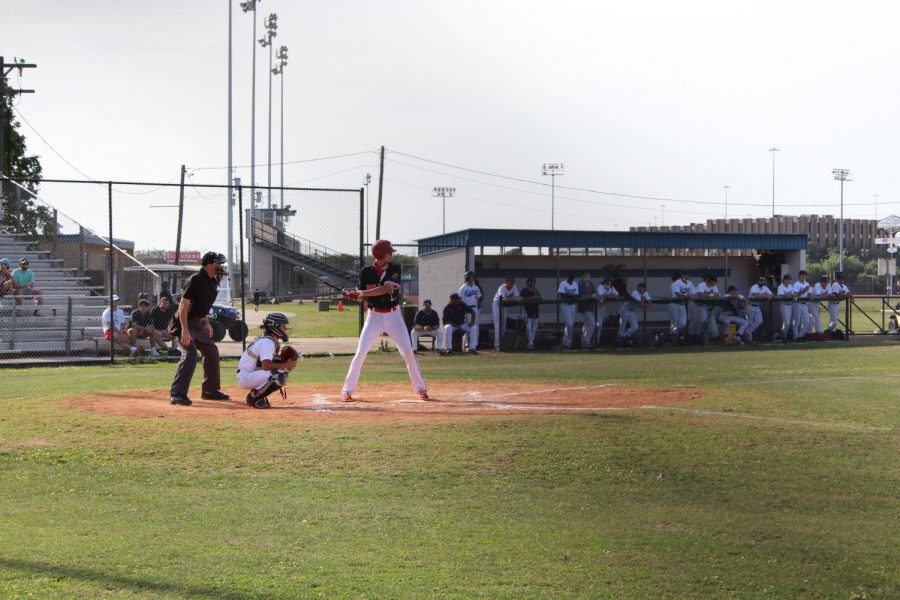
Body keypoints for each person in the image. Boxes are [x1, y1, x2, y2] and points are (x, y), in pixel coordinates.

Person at [340, 240, 429, 402]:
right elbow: (365, 296)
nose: (392, 254)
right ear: (382, 254)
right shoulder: (366, 272)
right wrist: (354, 296)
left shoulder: (395, 268)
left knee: (408, 352)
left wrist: (360, 293)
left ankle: (421, 388)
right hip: (374, 317)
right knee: (361, 352)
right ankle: (347, 390)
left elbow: (384, 289)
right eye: (389, 251)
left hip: (394, 316)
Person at [169, 251, 230, 406]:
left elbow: (203, 306)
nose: (220, 267)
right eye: (218, 263)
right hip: (184, 323)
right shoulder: (195, 279)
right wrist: (184, 330)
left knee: (212, 351)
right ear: (209, 264)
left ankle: (209, 390)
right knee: (189, 355)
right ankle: (177, 394)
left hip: (197, 324)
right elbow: (183, 306)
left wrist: (207, 323)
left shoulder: (212, 282)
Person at [237, 312, 299, 409]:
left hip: (249, 374)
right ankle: (254, 398)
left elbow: (263, 364)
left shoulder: (268, 339)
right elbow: (266, 366)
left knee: (280, 372)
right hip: (247, 376)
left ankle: (257, 393)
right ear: (275, 327)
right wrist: (285, 365)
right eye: (283, 326)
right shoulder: (267, 342)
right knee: (279, 375)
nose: (286, 328)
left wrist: (281, 363)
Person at [492, 276, 521, 350]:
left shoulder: (514, 287)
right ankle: (497, 345)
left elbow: (518, 298)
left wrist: (515, 299)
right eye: (510, 282)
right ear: (507, 282)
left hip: (505, 306)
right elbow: (503, 299)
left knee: (504, 326)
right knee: (498, 325)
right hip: (497, 304)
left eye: (512, 282)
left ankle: (500, 342)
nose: (511, 284)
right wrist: (513, 299)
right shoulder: (502, 287)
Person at [458, 271, 482, 353]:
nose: (469, 278)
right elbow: (460, 300)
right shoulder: (463, 288)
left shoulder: (476, 287)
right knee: (468, 327)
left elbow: (478, 299)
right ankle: (467, 344)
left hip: (474, 309)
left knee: (475, 327)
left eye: (471, 276)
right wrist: (462, 310)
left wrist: (478, 308)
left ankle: (475, 345)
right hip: (467, 309)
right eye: (468, 277)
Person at [557, 271, 580, 348]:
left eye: (573, 275)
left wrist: (570, 296)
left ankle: (565, 342)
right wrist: (570, 296)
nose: (572, 276)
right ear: (568, 275)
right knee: (569, 324)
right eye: (571, 275)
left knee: (570, 325)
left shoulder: (575, 284)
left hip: (572, 305)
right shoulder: (563, 283)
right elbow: (561, 294)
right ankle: (570, 343)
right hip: (565, 305)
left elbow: (577, 295)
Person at [747, 275, 773, 341]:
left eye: (763, 281)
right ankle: (749, 339)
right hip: (750, 305)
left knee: (759, 321)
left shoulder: (765, 287)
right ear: (758, 281)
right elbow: (755, 295)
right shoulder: (754, 287)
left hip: (757, 306)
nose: (762, 282)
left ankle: (747, 331)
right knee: (750, 323)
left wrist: (769, 296)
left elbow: (771, 294)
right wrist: (765, 296)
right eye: (761, 281)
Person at [576, 272, 597, 348]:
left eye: (588, 276)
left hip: (590, 306)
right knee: (592, 323)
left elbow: (595, 292)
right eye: (585, 276)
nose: (587, 277)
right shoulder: (579, 284)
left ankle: (583, 341)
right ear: (582, 277)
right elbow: (581, 295)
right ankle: (586, 340)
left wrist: (595, 296)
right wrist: (591, 297)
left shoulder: (590, 283)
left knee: (587, 324)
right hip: (583, 306)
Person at [669, 272, 694, 336]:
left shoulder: (687, 283)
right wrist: (688, 296)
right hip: (674, 304)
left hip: (682, 304)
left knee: (683, 323)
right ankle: (673, 336)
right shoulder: (674, 284)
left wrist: (689, 296)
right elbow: (678, 294)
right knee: (674, 323)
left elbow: (690, 293)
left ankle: (672, 334)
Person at [519, 277, 541, 349]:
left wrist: (535, 292)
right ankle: (531, 343)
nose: (532, 283)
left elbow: (539, 298)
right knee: (528, 327)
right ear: (528, 282)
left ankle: (530, 343)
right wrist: (532, 297)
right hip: (527, 311)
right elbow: (521, 299)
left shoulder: (536, 290)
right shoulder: (524, 290)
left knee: (534, 328)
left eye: (533, 282)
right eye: (530, 282)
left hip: (535, 311)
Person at [793, 270, 812, 340]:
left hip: (805, 304)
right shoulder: (796, 284)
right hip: (798, 303)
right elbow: (796, 294)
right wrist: (804, 290)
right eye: (802, 275)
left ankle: (800, 336)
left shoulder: (807, 283)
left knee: (807, 322)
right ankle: (795, 336)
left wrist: (810, 294)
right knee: (797, 321)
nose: (804, 276)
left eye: (805, 275)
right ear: (799, 276)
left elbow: (809, 293)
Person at [776, 274, 796, 340]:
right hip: (783, 305)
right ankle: (780, 335)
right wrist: (789, 295)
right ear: (784, 280)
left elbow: (793, 295)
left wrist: (790, 295)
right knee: (787, 323)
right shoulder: (780, 287)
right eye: (787, 279)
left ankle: (782, 337)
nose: (788, 281)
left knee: (787, 323)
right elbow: (781, 295)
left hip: (790, 305)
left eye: (789, 279)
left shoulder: (791, 286)